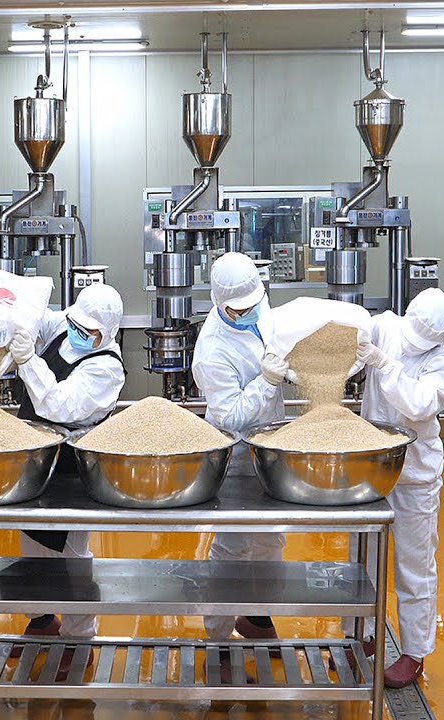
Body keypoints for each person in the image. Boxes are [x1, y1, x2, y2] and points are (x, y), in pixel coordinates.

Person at [5, 282, 127, 647]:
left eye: (89, 331)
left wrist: (28, 361)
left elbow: (58, 405)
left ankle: (79, 637)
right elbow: (38, 319)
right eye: (76, 323)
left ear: (107, 333)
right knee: (32, 542)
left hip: (71, 470)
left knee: (71, 555)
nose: (78, 332)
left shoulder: (106, 367)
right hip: (36, 457)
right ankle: (41, 619)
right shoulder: (67, 325)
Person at [351, 287, 444, 688]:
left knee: (415, 565)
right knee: (361, 557)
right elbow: (350, 332)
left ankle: (414, 653)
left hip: (415, 472)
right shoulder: (386, 327)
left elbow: (418, 404)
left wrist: (384, 365)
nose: (413, 344)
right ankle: (360, 633)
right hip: (372, 462)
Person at [192, 252, 289, 651]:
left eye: (254, 304)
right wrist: (268, 382)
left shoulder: (258, 307)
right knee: (232, 544)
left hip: (270, 445)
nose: (250, 312)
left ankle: (258, 616)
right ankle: (218, 635)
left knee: (271, 538)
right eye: (240, 309)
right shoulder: (212, 350)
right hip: (236, 453)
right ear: (220, 303)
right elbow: (230, 415)